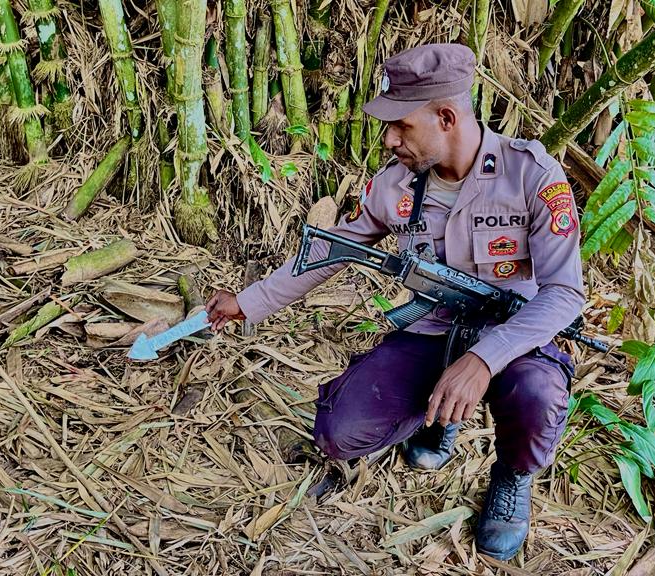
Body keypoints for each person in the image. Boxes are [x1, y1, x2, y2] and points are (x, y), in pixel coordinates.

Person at [206, 43, 585, 561]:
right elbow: (334, 250)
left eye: (401, 126)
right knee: (339, 434)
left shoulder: (531, 176)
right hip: (431, 331)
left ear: (446, 117)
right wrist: (249, 302)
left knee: (537, 393)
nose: (390, 139)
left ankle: (512, 477)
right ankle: (440, 417)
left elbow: (564, 292)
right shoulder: (394, 186)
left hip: (512, 335)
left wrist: (481, 361)